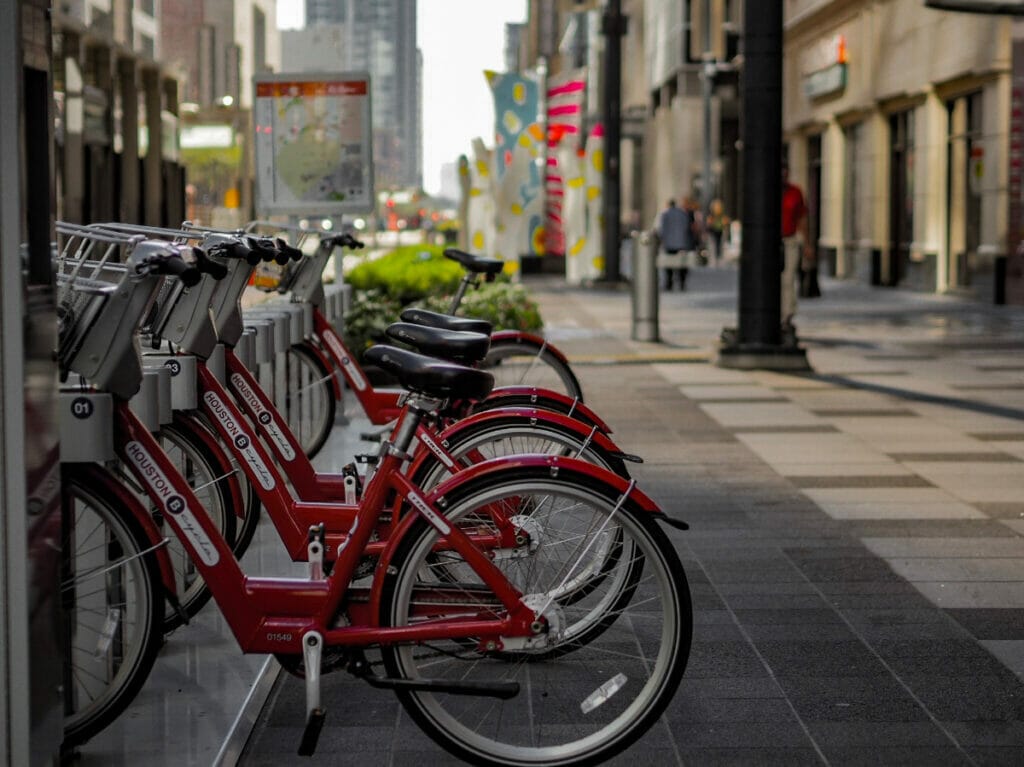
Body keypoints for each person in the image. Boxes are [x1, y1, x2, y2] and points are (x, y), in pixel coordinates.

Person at [781, 163, 813, 328]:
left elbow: (802, 218)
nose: (784, 176)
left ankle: (787, 313)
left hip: (790, 240)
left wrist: (807, 244)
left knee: (788, 277)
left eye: (786, 173)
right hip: (772, 243)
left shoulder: (795, 192)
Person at [654, 198, 697, 290]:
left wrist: (662, 240)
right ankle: (682, 283)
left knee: (669, 264)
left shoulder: (665, 214)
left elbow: (662, 229)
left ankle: (669, 283)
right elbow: (687, 227)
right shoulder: (683, 214)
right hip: (682, 243)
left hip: (669, 243)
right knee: (682, 264)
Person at [705, 198, 730, 266]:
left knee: (719, 245)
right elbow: (708, 223)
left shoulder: (722, 215)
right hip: (714, 231)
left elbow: (726, 222)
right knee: (715, 245)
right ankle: (716, 259)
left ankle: (718, 258)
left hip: (720, 231)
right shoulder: (712, 215)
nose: (717, 208)